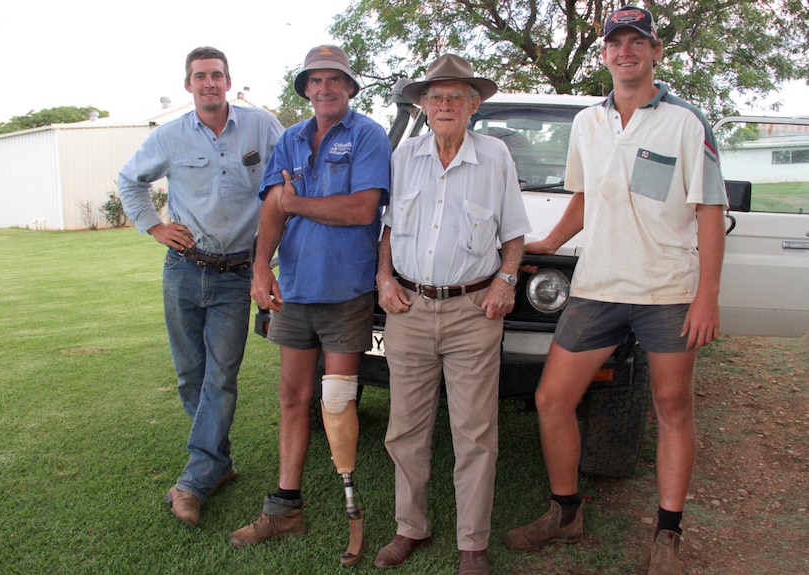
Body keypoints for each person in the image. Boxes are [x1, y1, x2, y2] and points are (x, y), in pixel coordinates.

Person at [503, 7, 728, 575]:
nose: (625, 51)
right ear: (603, 54)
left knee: (672, 407)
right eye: (615, 43)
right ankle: (565, 514)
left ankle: (667, 536)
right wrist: (546, 240)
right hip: (598, 285)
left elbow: (709, 211)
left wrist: (707, 297)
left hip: (667, 290)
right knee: (553, 401)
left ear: (656, 51)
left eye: (637, 42)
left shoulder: (685, 122)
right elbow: (582, 197)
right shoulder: (588, 122)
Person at [227, 45, 391, 567]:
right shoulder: (291, 140)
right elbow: (271, 213)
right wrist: (259, 268)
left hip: (345, 291)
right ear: (306, 89)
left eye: (335, 80)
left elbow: (363, 208)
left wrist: (296, 202)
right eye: (315, 81)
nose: (325, 89)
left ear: (349, 87)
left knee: (337, 402)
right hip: (294, 289)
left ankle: (350, 507)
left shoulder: (368, 135)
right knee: (293, 399)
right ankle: (285, 507)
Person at [374, 54, 532, 575]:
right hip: (410, 309)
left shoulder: (496, 157)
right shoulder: (403, 157)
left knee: (475, 431)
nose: (444, 105)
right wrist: (384, 278)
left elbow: (513, 233)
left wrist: (507, 279)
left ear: (473, 105)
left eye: (455, 97)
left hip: (472, 312)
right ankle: (409, 529)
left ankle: (472, 545)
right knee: (405, 430)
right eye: (436, 97)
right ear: (422, 104)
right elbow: (390, 229)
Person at [118, 47, 283, 527]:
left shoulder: (261, 126)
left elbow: (285, 182)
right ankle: (219, 462)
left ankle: (192, 482)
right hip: (184, 270)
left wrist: (268, 260)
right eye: (200, 77)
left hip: (237, 275)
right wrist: (154, 226)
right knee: (191, 376)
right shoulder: (168, 137)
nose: (209, 83)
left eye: (217, 75)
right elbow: (131, 181)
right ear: (188, 85)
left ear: (229, 82)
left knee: (220, 377)